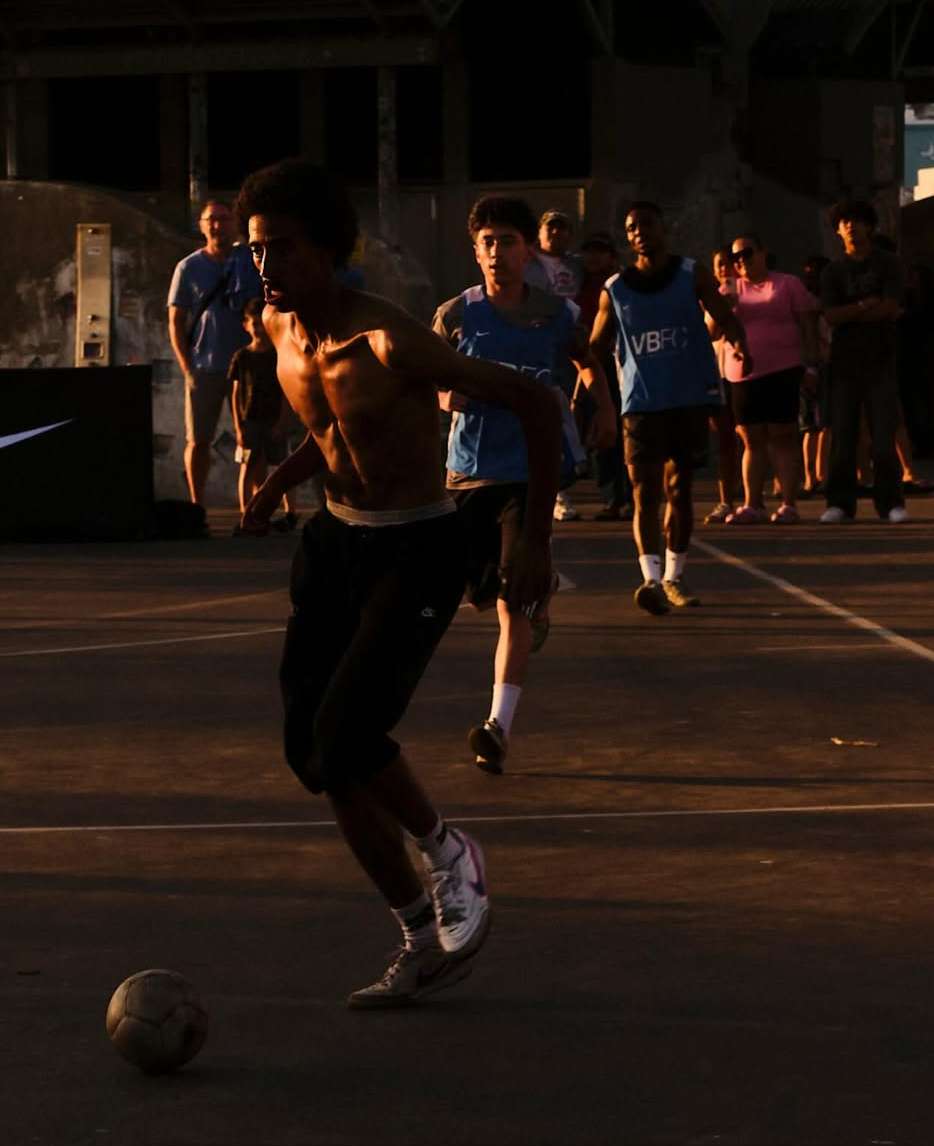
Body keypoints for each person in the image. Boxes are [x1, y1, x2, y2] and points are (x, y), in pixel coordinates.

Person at [234, 160, 562, 1007]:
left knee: (347, 735)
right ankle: (420, 932)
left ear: (329, 249)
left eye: (283, 247)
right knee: (313, 753)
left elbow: (532, 404)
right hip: (336, 542)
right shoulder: (277, 329)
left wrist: (535, 539)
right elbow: (333, 428)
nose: (266, 263)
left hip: (417, 547)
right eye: (255, 247)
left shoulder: (390, 338)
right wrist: (275, 484)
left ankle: (449, 850)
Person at [434, 196, 615, 775]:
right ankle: (539, 591)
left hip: (533, 473)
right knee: (476, 592)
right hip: (469, 471)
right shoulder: (456, 315)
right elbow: (425, 378)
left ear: (527, 249)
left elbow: (587, 362)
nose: (496, 252)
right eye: (486, 242)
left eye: (507, 241)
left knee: (511, 603)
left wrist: (604, 409)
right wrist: (444, 395)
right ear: (475, 250)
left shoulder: (557, 313)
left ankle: (497, 727)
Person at [590, 201, 751, 613]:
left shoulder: (690, 274)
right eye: (631, 227)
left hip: (688, 398)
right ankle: (650, 581)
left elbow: (725, 317)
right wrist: (586, 394)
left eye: (646, 224)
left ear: (664, 227)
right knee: (644, 492)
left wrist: (739, 344)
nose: (639, 231)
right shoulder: (615, 288)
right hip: (641, 403)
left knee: (679, 490)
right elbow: (592, 348)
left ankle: (674, 577)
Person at [716, 233, 820, 525]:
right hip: (743, 374)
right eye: (735, 257)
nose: (741, 261)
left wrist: (811, 367)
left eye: (747, 253)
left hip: (783, 370)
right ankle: (753, 504)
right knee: (751, 439)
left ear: (762, 253)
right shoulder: (729, 288)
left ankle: (788, 503)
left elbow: (807, 327)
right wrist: (726, 304)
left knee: (783, 436)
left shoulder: (787, 284)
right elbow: (712, 330)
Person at [167, 201, 262, 505]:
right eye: (212, 220)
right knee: (198, 440)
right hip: (205, 365)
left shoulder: (251, 261)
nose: (218, 225)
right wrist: (186, 365)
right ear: (202, 225)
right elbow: (176, 320)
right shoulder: (189, 267)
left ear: (235, 223)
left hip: (249, 364)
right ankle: (197, 504)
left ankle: (258, 506)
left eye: (224, 219)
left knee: (254, 439)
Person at [819, 200, 907, 523]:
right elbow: (831, 315)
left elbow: (892, 306)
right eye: (843, 222)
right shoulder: (833, 271)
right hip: (844, 365)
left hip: (881, 359)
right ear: (837, 230)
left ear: (869, 226)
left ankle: (891, 503)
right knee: (843, 436)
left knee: (884, 436)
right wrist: (864, 305)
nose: (850, 227)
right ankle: (840, 503)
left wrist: (855, 311)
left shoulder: (888, 264)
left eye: (856, 221)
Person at [576, 232, 633, 522]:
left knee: (629, 431)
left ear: (612, 256)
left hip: (624, 362)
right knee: (600, 432)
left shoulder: (624, 285)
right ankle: (612, 498)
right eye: (589, 252)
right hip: (588, 363)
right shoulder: (578, 284)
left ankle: (634, 497)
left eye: (601, 252)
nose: (594, 258)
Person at [228, 298, 289, 526]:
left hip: (272, 418)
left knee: (280, 465)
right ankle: (246, 512)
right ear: (246, 325)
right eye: (253, 324)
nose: (257, 329)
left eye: (260, 324)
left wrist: (282, 422)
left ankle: (288, 512)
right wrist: (238, 427)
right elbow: (235, 394)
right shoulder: (242, 357)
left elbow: (285, 391)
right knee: (247, 465)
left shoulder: (277, 356)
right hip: (250, 420)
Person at [703, 247, 741, 523]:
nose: (725, 268)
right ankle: (726, 499)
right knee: (725, 440)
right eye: (719, 264)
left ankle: (756, 498)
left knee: (755, 437)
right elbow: (711, 331)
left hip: (748, 373)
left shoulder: (752, 291)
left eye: (730, 263)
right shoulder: (708, 297)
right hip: (718, 374)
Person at [799, 254, 832, 497]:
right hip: (813, 365)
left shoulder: (826, 302)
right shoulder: (810, 304)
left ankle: (818, 476)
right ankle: (816, 476)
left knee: (817, 425)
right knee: (814, 425)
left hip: (821, 365)